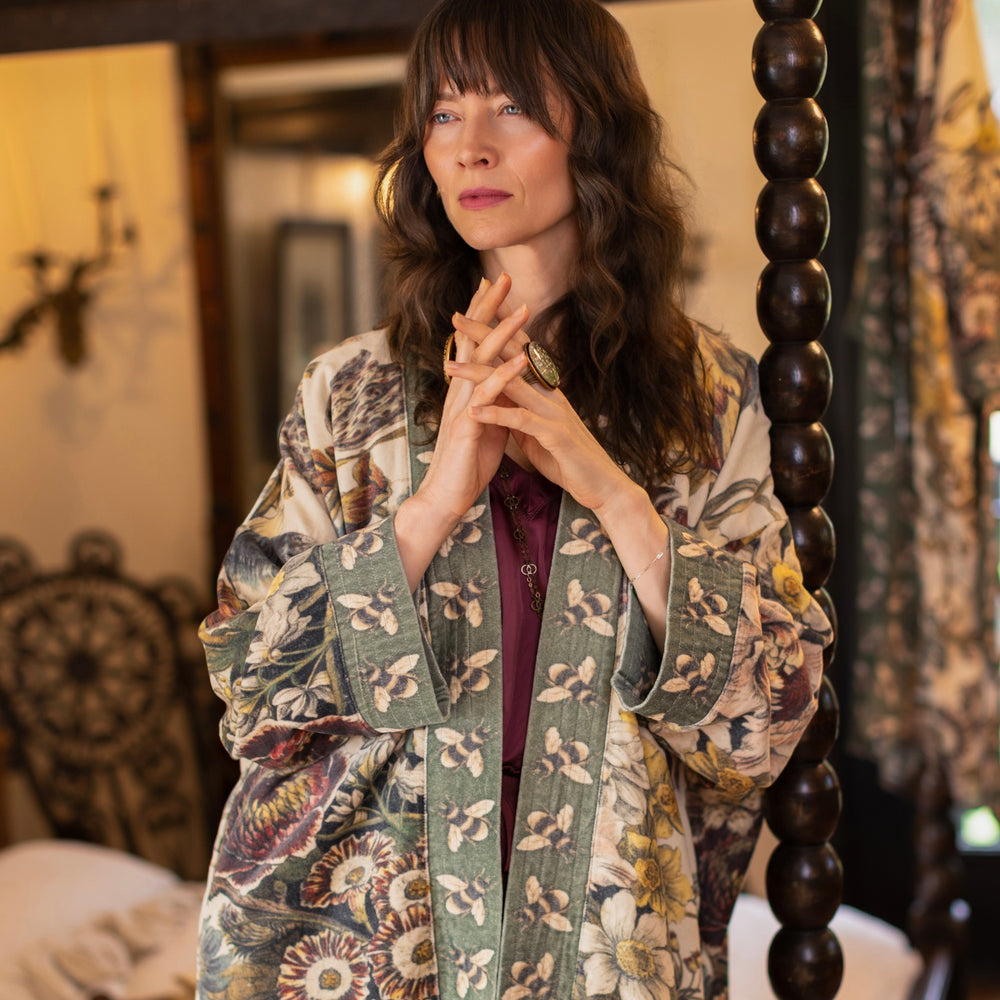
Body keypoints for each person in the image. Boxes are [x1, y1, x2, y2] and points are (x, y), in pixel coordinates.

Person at [196, 0, 832, 998]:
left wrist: (610, 491)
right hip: (380, 940)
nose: (471, 148)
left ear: (596, 132)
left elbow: (773, 703)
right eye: (444, 113)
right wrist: (436, 500)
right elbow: (250, 683)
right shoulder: (348, 394)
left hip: (608, 933)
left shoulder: (709, 395)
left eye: (511, 109)